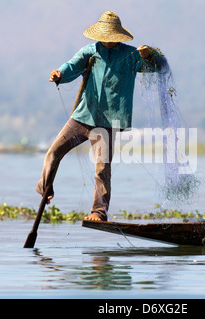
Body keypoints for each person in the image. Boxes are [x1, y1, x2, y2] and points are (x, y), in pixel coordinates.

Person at [35, 11, 162, 221]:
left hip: (107, 122)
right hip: (83, 116)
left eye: (112, 38)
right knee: (53, 153)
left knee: (102, 168)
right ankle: (45, 189)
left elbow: (155, 67)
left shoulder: (131, 56)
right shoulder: (90, 51)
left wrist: (150, 55)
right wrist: (59, 74)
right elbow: (71, 67)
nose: (109, 42)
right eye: (105, 37)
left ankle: (98, 212)